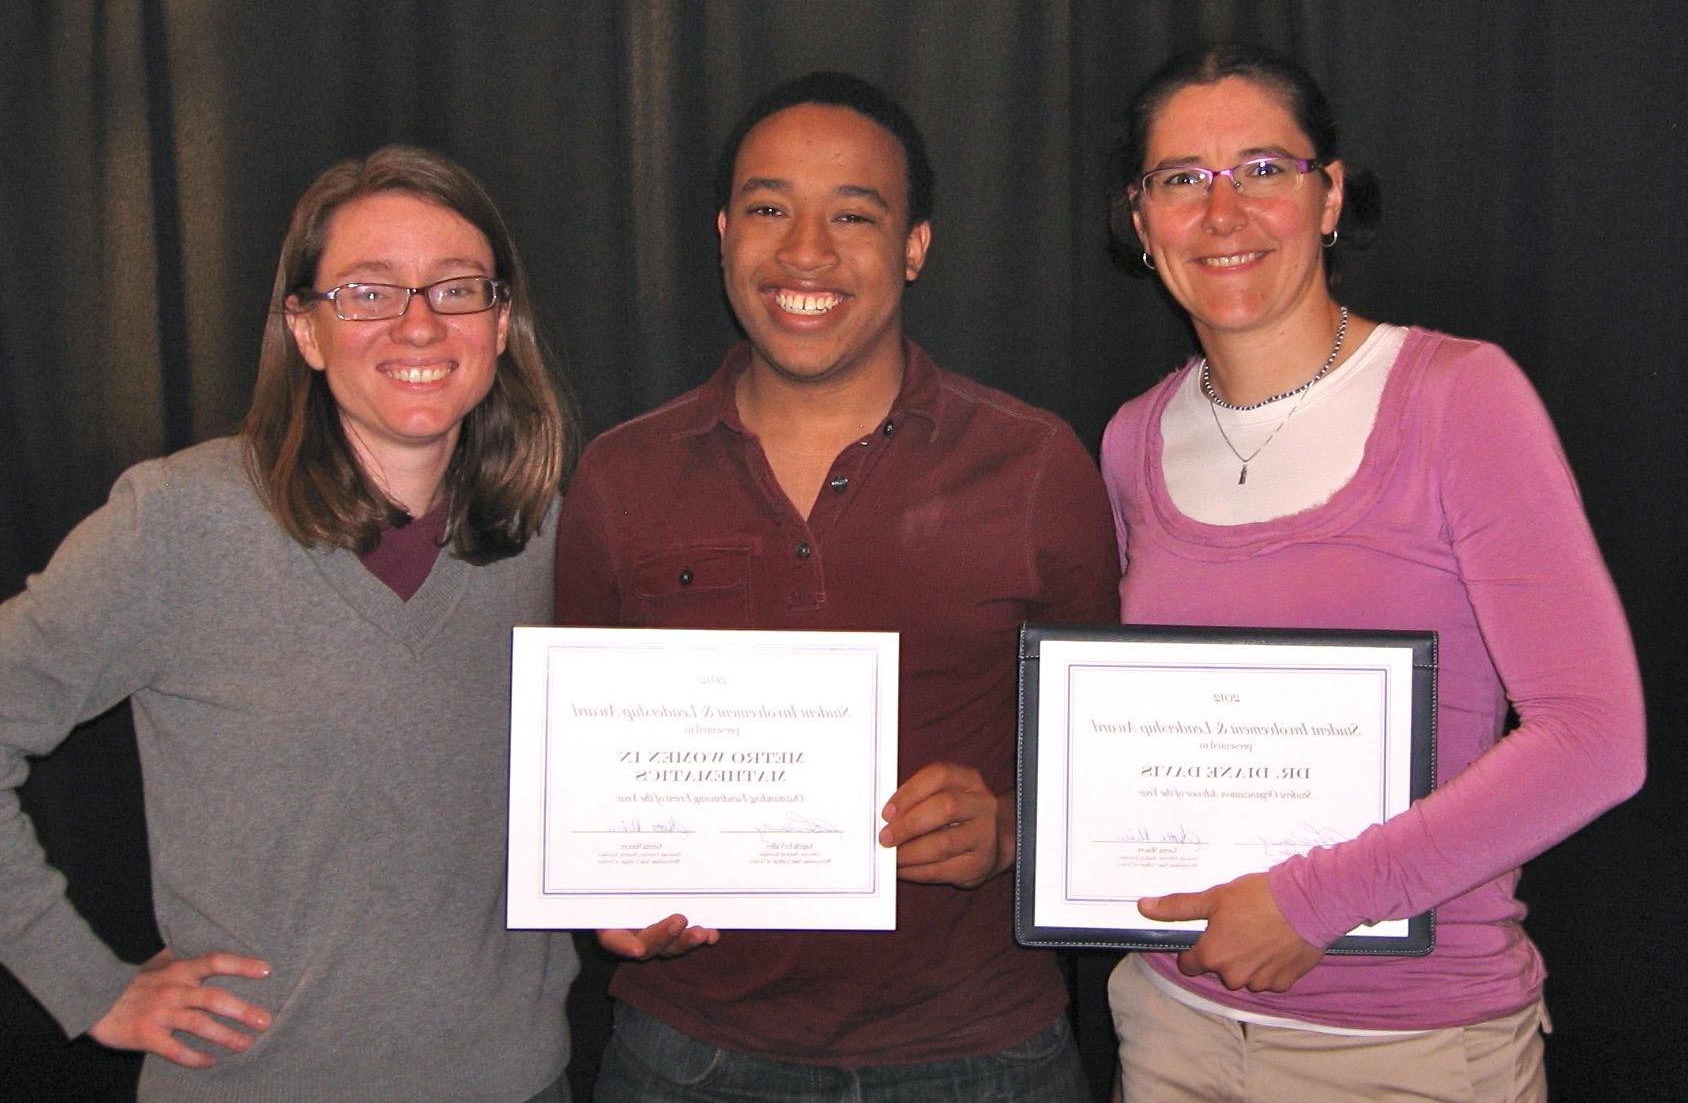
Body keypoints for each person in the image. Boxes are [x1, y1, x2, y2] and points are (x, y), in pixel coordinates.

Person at [553, 72, 1119, 1102]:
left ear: (913, 244)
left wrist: (1006, 824)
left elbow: (1116, 771)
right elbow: (579, 770)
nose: (804, 250)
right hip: (688, 1048)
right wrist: (606, 883)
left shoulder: (1035, 466)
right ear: (722, 232)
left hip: (984, 1049)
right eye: (768, 208)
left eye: (852, 214)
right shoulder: (619, 475)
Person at [1099, 43, 1645, 1101]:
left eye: (1262, 168)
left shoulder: (1457, 398)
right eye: (1180, 179)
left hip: (1412, 1053)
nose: (1222, 212)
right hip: (1172, 1029)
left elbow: (1595, 739)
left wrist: (1311, 900)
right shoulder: (1130, 440)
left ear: (1328, 193)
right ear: (1139, 219)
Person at [0, 145, 579, 1102]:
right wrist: (85, 986)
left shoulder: (551, 534)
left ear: (502, 320)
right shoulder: (179, 524)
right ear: (305, 329)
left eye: (456, 288)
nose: (419, 322)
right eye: (367, 292)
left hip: (516, 1083)